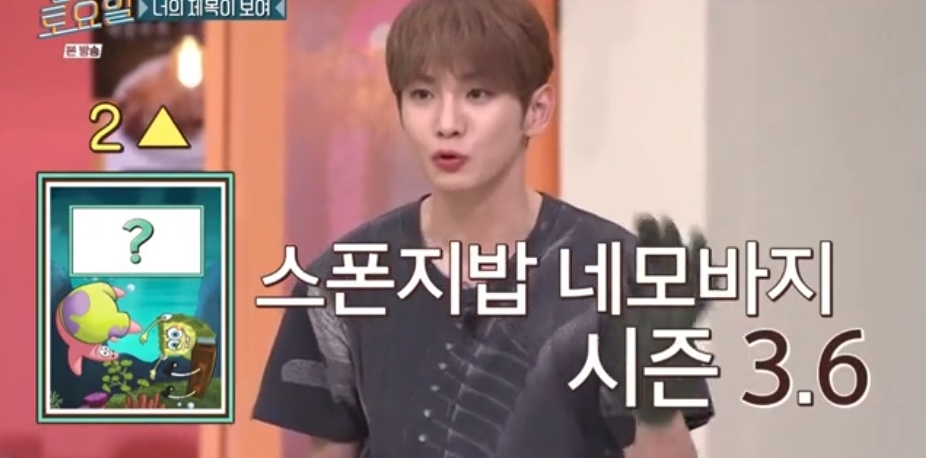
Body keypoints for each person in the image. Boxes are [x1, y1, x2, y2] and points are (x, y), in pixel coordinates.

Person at [253, 0, 713, 457]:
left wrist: (654, 397)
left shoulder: (618, 273)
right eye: (422, 95)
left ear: (537, 110)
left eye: (478, 94)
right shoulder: (342, 282)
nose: (447, 124)